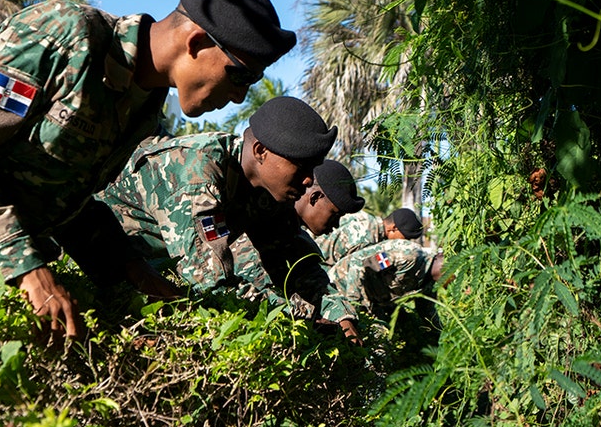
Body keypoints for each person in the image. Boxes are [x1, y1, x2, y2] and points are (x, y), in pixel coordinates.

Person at [0, 0, 297, 338]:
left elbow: (68, 205)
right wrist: (27, 270)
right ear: (197, 43)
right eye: (240, 75)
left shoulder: (142, 107)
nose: (240, 97)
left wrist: (133, 272)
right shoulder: (66, 37)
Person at [97, 97, 361, 339]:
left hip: (150, 272)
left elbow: (298, 262)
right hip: (100, 263)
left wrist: (340, 315)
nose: (308, 180)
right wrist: (299, 319)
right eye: (301, 167)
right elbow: (212, 285)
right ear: (260, 151)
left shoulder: (269, 190)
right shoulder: (198, 172)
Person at [227, 159, 364, 314]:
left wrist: (342, 316)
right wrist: (303, 315)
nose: (336, 225)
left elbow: (312, 279)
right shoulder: (262, 212)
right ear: (315, 198)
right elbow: (253, 284)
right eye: (335, 215)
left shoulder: (293, 231)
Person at [318, 208, 444, 318]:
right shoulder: (363, 234)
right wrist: (354, 308)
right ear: (393, 228)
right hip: (325, 273)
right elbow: (352, 265)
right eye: (406, 237)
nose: (407, 242)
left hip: (357, 288)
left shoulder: (382, 240)